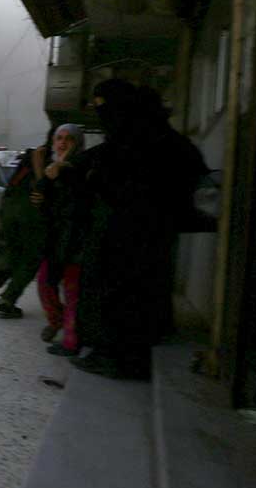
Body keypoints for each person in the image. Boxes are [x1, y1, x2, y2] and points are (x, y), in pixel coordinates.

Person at [72, 79, 206, 379]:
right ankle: (122, 353)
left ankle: (116, 356)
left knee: (120, 292)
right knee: (138, 290)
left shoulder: (137, 136)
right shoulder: (155, 133)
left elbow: (124, 180)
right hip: (146, 230)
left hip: (130, 230)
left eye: (102, 107)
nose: (101, 115)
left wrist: (96, 179)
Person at [0, 145, 47, 318]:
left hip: (9, 206)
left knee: (15, 252)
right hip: (29, 210)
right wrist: (42, 184)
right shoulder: (50, 155)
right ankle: (7, 300)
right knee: (31, 258)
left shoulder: (28, 157)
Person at [34, 123, 86, 356]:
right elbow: (42, 201)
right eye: (59, 138)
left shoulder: (80, 168)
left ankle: (71, 341)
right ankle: (58, 321)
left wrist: (63, 169)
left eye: (69, 139)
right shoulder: (52, 169)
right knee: (45, 283)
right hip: (55, 241)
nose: (63, 143)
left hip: (75, 242)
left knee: (72, 291)